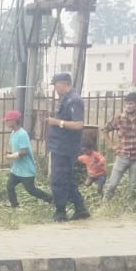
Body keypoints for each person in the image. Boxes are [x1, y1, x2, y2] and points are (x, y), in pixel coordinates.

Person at [43, 72, 89, 222]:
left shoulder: (74, 100)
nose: (55, 89)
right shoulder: (65, 99)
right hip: (59, 145)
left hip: (65, 147)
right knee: (65, 179)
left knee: (58, 179)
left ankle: (60, 211)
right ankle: (80, 208)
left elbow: (79, 124)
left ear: (63, 83)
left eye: (56, 85)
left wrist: (57, 123)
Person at [101, 92, 136, 200]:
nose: (128, 106)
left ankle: (129, 210)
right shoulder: (119, 118)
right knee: (112, 184)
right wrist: (112, 145)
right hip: (122, 155)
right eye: (126, 104)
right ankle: (105, 206)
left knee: (133, 187)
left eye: (131, 103)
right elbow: (105, 130)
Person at [2, 109, 51, 207]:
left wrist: (11, 156)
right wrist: (11, 153)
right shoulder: (13, 133)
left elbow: (24, 152)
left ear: (14, 121)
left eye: (7, 120)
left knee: (31, 190)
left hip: (26, 170)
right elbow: (18, 150)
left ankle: (50, 199)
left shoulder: (22, 134)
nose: (6, 122)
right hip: (17, 169)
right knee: (9, 186)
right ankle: (14, 205)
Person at [76, 132, 107, 197]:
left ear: (91, 149)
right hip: (92, 176)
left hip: (101, 175)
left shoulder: (95, 154)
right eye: (83, 151)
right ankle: (84, 196)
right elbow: (76, 159)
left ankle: (103, 197)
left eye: (86, 150)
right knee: (86, 184)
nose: (84, 152)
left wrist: (98, 164)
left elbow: (103, 159)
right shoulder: (84, 157)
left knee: (99, 188)